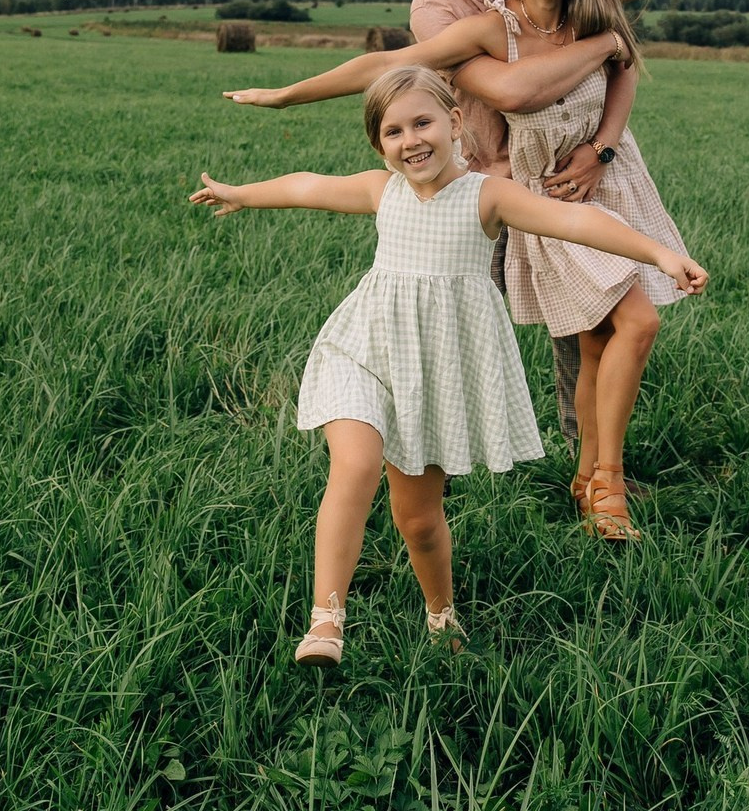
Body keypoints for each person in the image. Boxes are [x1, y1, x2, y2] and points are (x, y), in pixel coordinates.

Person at [191, 66, 706, 666]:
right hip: (364, 351)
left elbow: (576, 221)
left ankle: (441, 612)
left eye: (422, 122)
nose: (411, 140)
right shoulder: (381, 191)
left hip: (432, 373)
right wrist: (240, 193)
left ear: (455, 122)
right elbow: (307, 186)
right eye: (392, 131)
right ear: (379, 145)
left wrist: (661, 253)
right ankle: (326, 622)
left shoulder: (486, 196)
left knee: (420, 521)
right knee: (354, 467)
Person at [223, 0, 708, 541]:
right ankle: (593, 482)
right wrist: (285, 94)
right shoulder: (474, 21)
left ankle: (592, 479)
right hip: (524, 191)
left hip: (602, 183)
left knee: (598, 340)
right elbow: (394, 69)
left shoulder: (595, 7)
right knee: (608, 324)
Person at [408, 0, 749, 450]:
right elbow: (515, 92)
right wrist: (605, 40)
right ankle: (440, 449)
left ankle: (586, 464)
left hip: (568, 182)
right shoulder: (437, 10)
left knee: (587, 325)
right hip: (481, 187)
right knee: (455, 325)